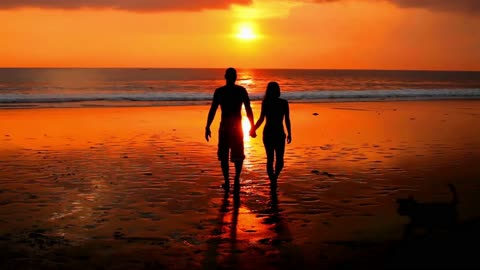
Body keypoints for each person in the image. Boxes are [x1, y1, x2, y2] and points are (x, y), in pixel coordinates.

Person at [205, 68, 255, 192]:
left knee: (225, 155)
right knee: (234, 154)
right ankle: (235, 179)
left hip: (226, 125)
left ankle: (228, 180)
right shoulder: (240, 91)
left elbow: (213, 110)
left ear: (225, 77)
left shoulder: (221, 91)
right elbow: (248, 109)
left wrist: (207, 126)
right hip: (234, 126)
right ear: (235, 77)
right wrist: (252, 126)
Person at [252, 82, 291, 188]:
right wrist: (253, 129)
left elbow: (287, 119)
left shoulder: (275, 103)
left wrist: (253, 129)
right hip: (275, 132)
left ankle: (274, 178)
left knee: (275, 159)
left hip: (273, 132)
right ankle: (274, 179)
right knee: (275, 159)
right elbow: (261, 119)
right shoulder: (273, 103)